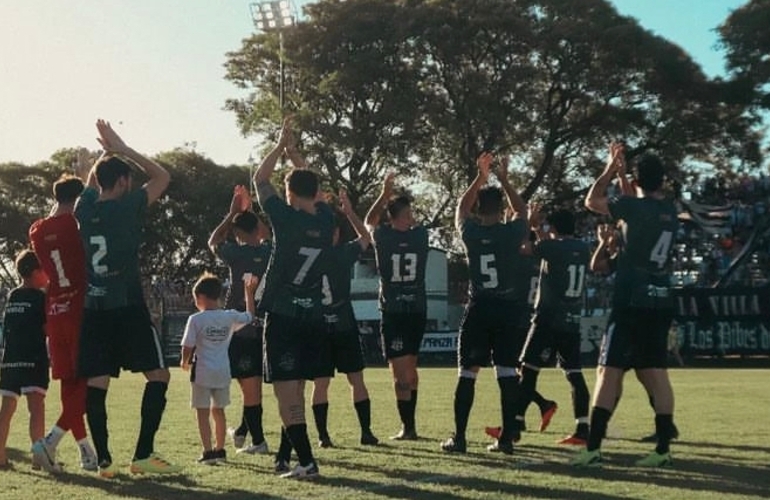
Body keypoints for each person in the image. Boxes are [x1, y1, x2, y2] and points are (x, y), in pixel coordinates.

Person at [75, 119, 179, 477]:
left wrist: (103, 159)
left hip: (95, 307)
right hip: (128, 306)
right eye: (127, 179)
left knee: (97, 383)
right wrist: (122, 149)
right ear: (122, 182)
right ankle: (143, 454)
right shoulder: (127, 206)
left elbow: (90, 186)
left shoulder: (83, 211)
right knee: (159, 376)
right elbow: (162, 176)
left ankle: (104, 460)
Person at [573, 143, 678, 467]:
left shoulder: (633, 208)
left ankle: (592, 448)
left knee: (608, 372)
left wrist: (609, 168)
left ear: (638, 179)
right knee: (656, 374)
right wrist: (624, 173)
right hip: (660, 298)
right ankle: (662, 450)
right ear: (662, 181)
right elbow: (637, 201)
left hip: (630, 299)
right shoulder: (670, 211)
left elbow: (592, 200)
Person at [254, 118, 333, 479]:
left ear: (289, 195)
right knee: (296, 388)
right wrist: (297, 156)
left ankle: (306, 461)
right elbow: (310, 189)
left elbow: (260, 179)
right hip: (313, 316)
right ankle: (287, 459)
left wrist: (279, 144)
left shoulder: (285, 218)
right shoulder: (326, 218)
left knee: (286, 395)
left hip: (284, 315)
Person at [440, 152, 530, 455]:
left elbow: (460, 209)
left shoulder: (472, 232)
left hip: (479, 308)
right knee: (506, 373)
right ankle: (506, 439)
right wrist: (504, 179)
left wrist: (480, 177)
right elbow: (523, 211)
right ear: (501, 208)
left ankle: (460, 437)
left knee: (467, 373)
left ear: (480, 209)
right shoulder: (511, 232)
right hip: (507, 310)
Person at [29, 153, 99, 473]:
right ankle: (51, 440)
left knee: (69, 385)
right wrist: (89, 182)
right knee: (84, 384)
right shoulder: (77, 223)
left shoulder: (38, 230)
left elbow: (47, 221)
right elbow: (84, 215)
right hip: (80, 308)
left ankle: (86, 451)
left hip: (55, 310)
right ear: (79, 198)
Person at [591, 223, 680, 444]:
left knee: (610, 373)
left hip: (630, 314)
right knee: (649, 374)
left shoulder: (629, 255)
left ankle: (596, 436)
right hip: (656, 308)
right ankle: (666, 430)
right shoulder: (649, 252)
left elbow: (596, 266)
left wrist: (604, 243)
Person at [309, 189, 379, 450]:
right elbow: (366, 236)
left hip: (318, 323)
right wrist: (349, 212)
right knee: (356, 379)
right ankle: (366, 432)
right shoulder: (342, 253)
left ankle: (323, 436)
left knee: (320, 383)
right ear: (336, 234)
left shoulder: (310, 255)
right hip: (343, 321)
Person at [516, 207, 592, 446]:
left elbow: (524, 248)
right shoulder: (582, 247)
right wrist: (540, 233)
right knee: (574, 374)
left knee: (527, 369)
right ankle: (583, 427)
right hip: (571, 318)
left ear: (555, 228)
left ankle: (516, 422)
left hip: (548, 317)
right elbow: (555, 254)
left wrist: (528, 224)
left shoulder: (552, 246)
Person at [208, 185, 272, 455]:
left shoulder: (237, 253)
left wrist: (233, 212)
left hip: (240, 325)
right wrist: (252, 212)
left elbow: (213, 241)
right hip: (264, 324)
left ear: (236, 233)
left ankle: (257, 440)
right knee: (253, 383)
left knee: (248, 385)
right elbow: (267, 234)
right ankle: (246, 432)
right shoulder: (270, 251)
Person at [365, 173, 429, 440]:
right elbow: (372, 222)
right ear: (398, 216)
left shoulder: (384, 236)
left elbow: (370, 221)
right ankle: (409, 425)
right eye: (408, 214)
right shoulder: (419, 235)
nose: (411, 218)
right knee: (407, 371)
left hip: (397, 310)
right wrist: (386, 195)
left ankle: (408, 426)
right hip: (412, 309)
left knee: (404, 373)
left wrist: (383, 193)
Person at [180, 273, 257, 465]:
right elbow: (249, 316)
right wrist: (249, 292)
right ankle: (220, 450)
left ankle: (207, 452)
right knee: (219, 411)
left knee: (202, 413)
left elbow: (187, 346)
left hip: (202, 372)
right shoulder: (229, 317)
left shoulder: (196, 319)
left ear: (202, 297)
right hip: (223, 371)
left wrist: (185, 361)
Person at [0, 250, 49, 469]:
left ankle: (0, 457)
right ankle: (39, 459)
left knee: (7, 409)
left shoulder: (12, 296)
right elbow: (46, 328)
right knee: (36, 408)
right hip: (33, 358)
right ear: (36, 272)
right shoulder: (40, 298)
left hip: (10, 359)